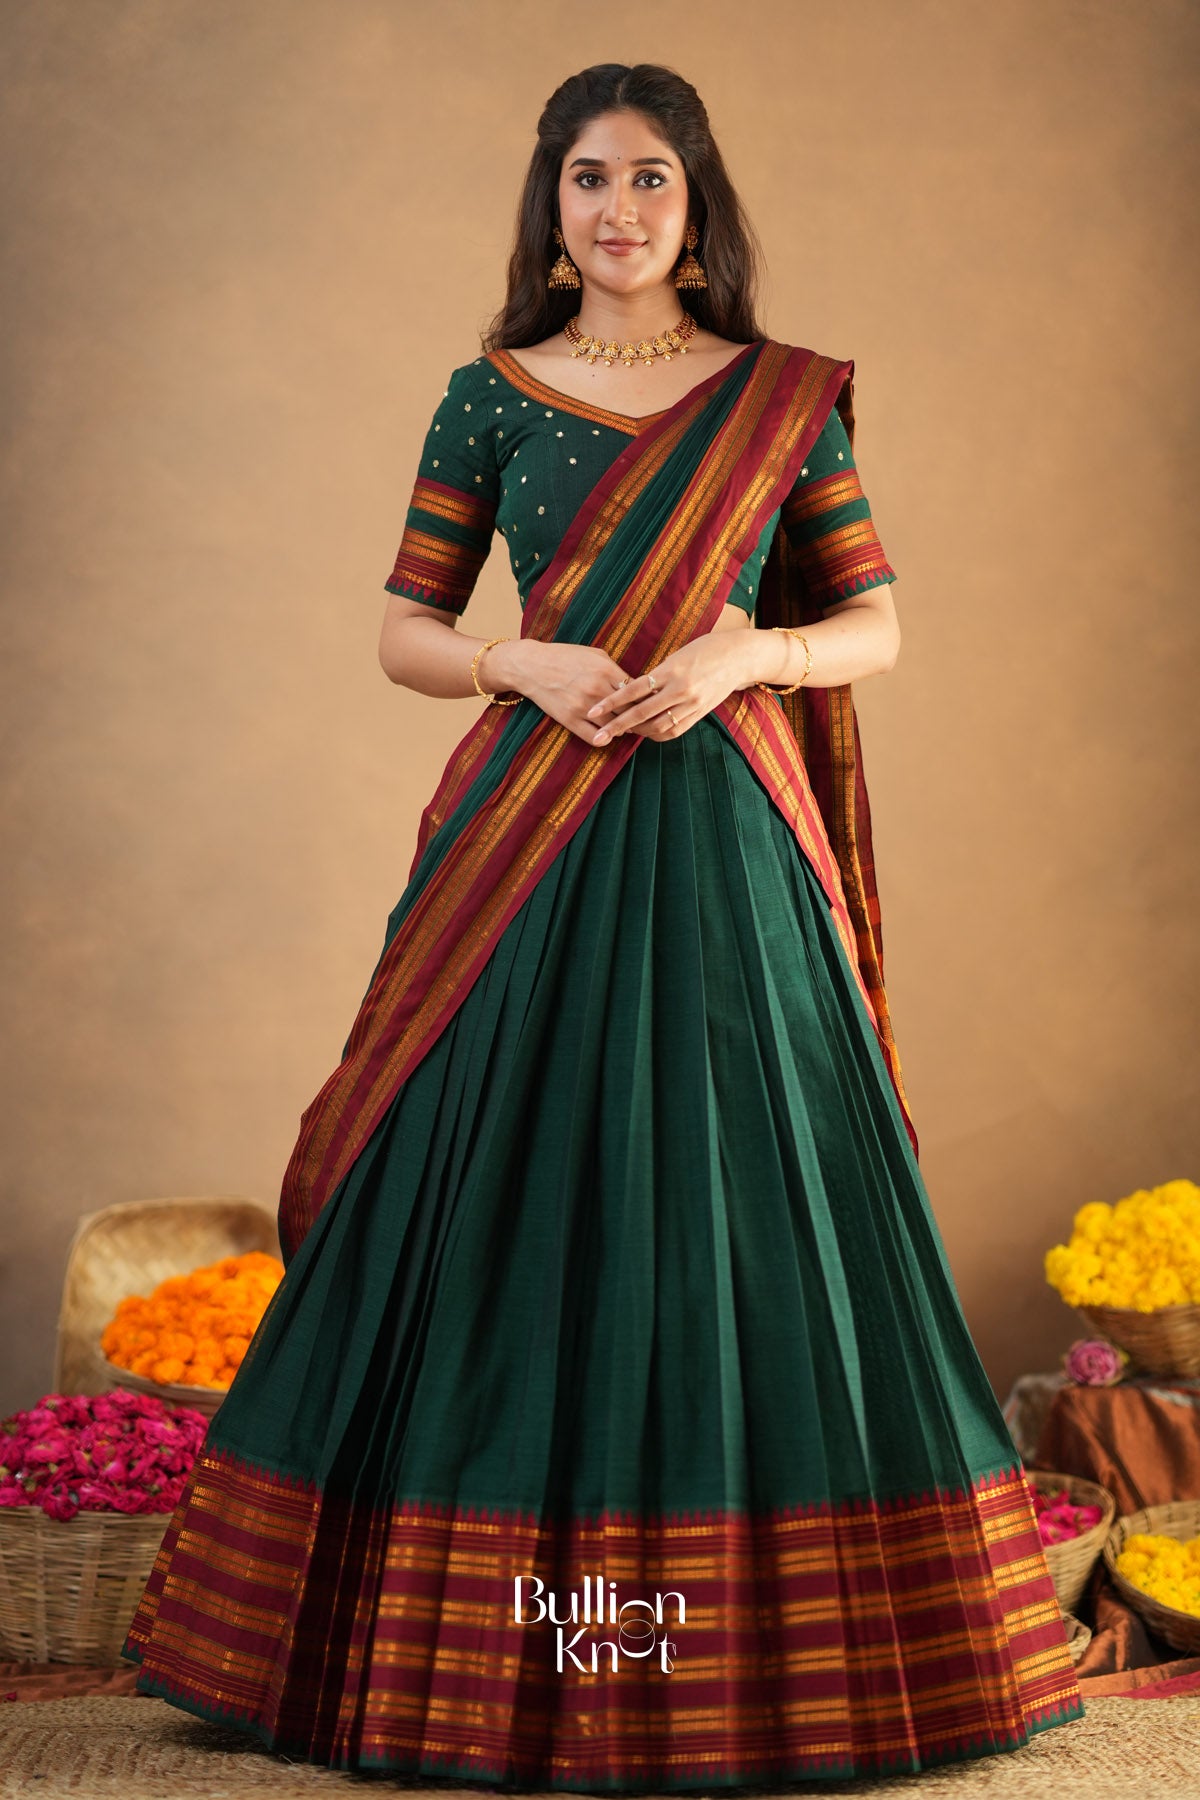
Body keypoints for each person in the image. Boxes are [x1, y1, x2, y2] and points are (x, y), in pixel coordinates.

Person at [122, 61, 1085, 1790]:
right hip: (527, 842)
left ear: (697, 203)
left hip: (726, 834)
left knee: (747, 1197)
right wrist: (521, 662)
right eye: (589, 179)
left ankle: (770, 1648)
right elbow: (407, 626)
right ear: (548, 205)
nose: (621, 210)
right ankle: (483, 1638)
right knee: (503, 1191)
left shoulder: (784, 401)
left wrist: (745, 656)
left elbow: (872, 620)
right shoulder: (486, 398)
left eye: (653, 178)